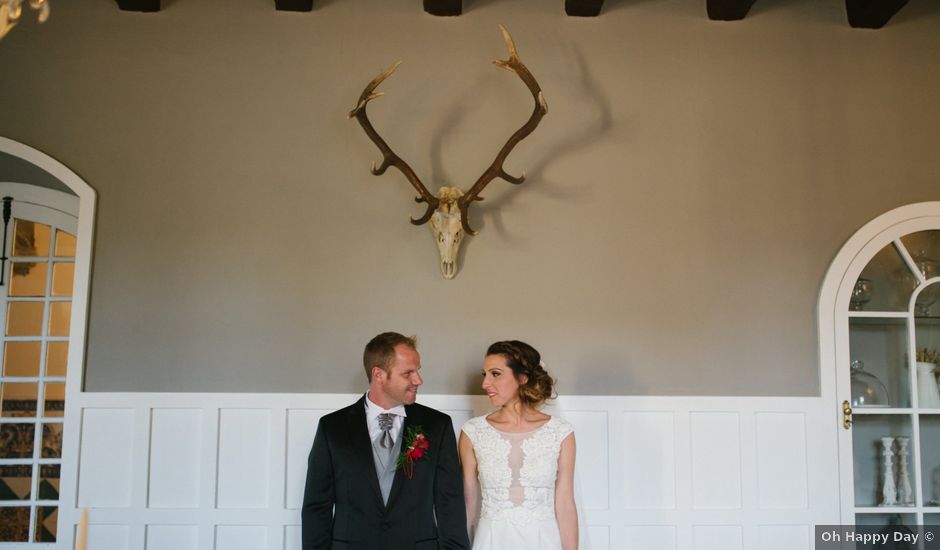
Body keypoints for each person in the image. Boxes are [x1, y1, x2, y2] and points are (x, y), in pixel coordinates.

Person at [302, 332, 470, 550]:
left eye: (418, 370)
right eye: (408, 373)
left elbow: (451, 504)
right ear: (378, 374)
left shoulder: (437, 426)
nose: (418, 380)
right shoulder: (332, 428)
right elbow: (317, 506)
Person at [459, 340, 578, 550]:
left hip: (543, 541)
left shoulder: (560, 433)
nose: (485, 384)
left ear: (522, 377)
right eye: (484, 374)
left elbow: (565, 504)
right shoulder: (473, 432)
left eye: (495, 374)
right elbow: (467, 503)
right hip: (491, 541)